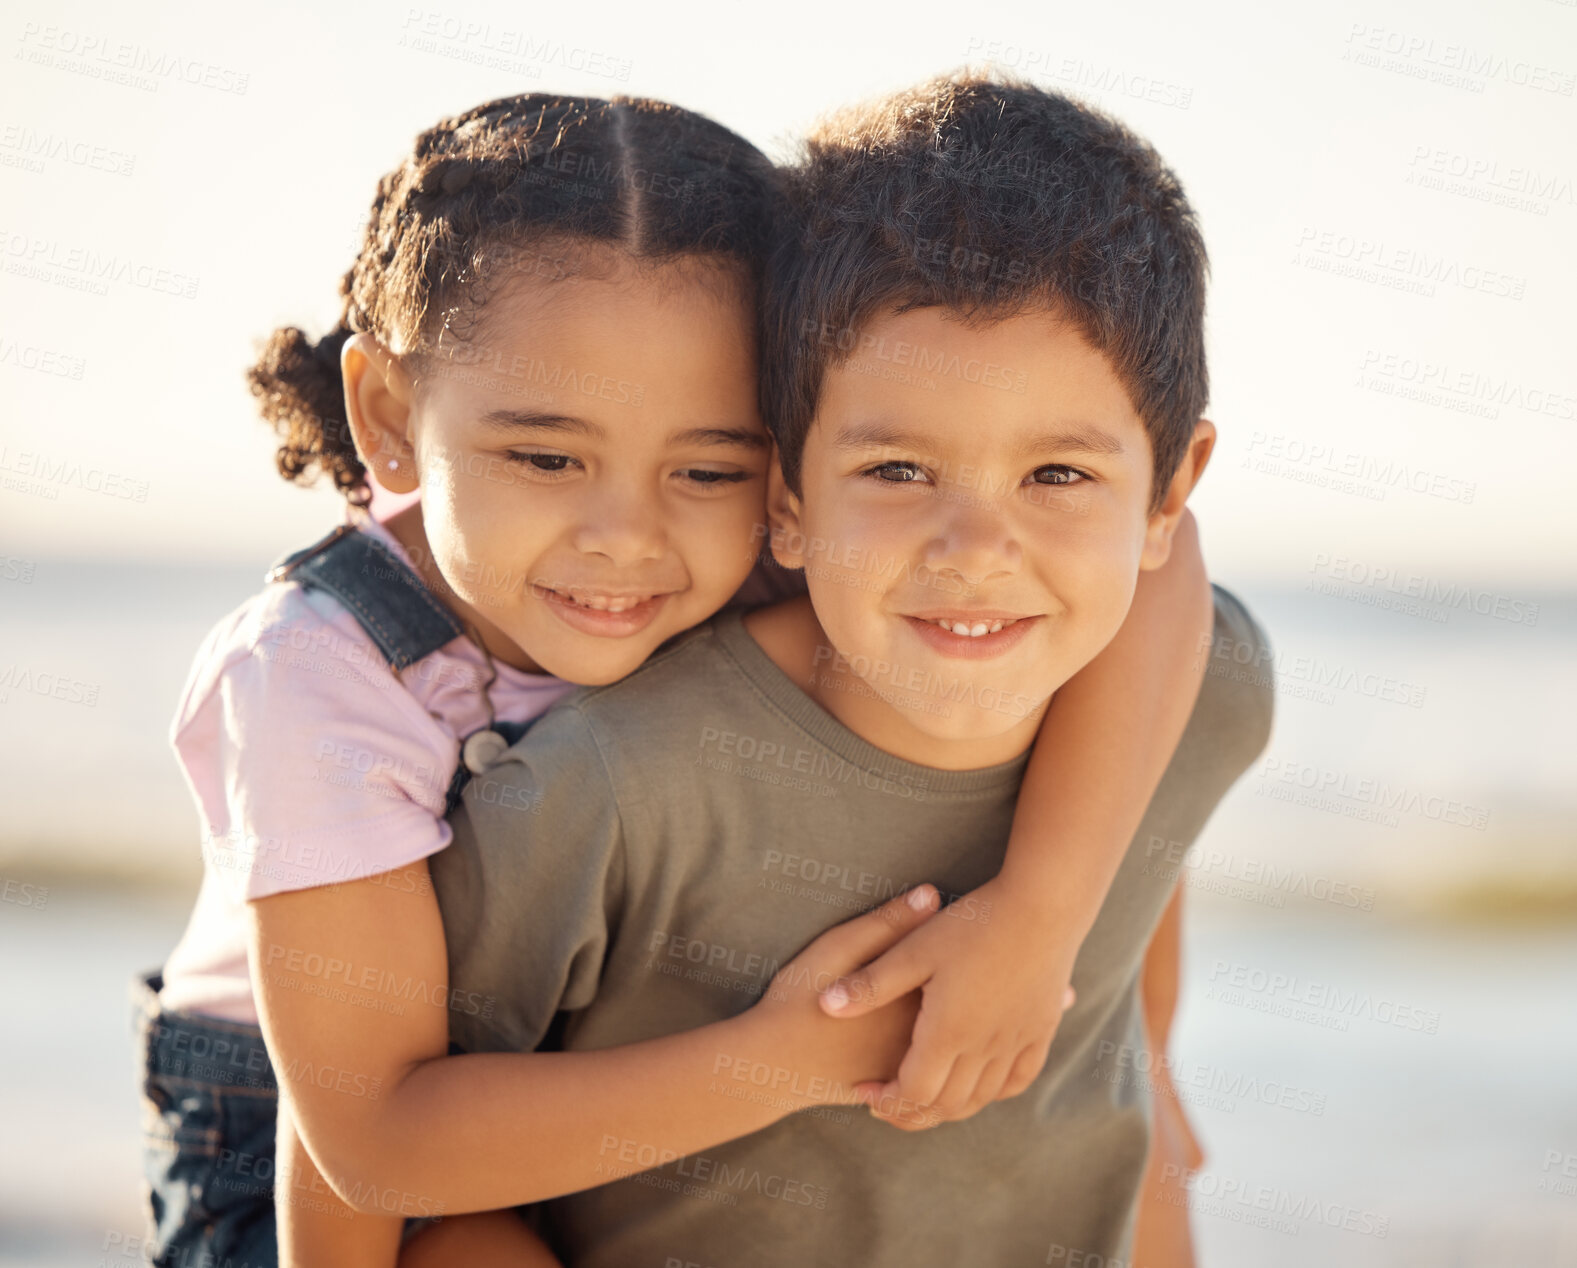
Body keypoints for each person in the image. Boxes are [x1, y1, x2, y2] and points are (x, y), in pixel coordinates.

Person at [135, 87, 1211, 1268]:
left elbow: (1162, 565)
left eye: (706, 467)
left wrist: (1042, 922)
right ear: (388, 415)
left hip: (594, 1064)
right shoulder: (316, 677)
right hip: (320, 1135)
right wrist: (798, 1054)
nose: (625, 535)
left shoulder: (788, 523)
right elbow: (371, 1142)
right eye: (545, 456)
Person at [422, 72, 1275, 1266]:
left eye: (1056, 477)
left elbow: (1140, 967)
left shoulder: (1205, 687)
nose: (976, 553)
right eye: (898, 472)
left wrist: (1065, 950)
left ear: (1167, 495)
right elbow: (418, 1180)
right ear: (786, 496)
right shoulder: (605, 790)